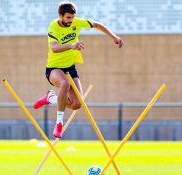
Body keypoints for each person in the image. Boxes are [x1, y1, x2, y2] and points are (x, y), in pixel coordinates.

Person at [33, 1, 123, 138]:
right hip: (54, 68)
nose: (71, 20)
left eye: (72, 17)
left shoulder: (76, 22)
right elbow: (55, 48)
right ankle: (58, 124)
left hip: (70, 68)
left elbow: (97, 25)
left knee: (77, 104)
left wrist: (114, 37)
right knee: (65, 83)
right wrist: (72, 45)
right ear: (60, 15)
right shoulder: (53, 26)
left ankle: (50, 98)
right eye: (68, 18)